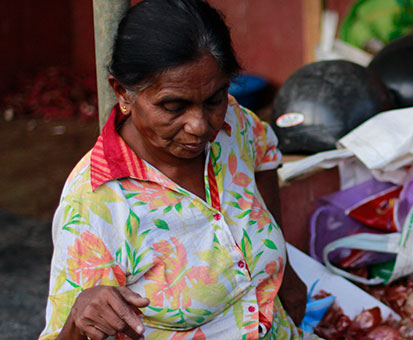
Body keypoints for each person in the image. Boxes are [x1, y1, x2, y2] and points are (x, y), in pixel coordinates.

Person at [39, 1, 317, 339]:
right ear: (123, 94)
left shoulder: (232, 124)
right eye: (173, 107)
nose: (200, 126)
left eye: (214, 99)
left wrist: (284, 269)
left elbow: (264, 154)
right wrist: (80, 318)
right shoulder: (96, 204)